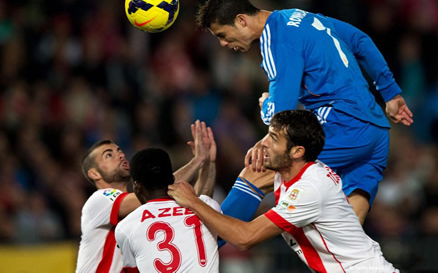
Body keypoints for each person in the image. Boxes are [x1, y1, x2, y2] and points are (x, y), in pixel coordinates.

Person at [196, 0, 414, 223]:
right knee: (345, 234)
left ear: (241, 20)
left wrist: (266, 105)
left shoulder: (276, 39)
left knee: (257, 171)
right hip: (375, 130)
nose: (223, 43)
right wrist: (391, 94)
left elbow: (283, 112)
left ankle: (208, 242)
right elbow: (360, 41)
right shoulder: (300, 16)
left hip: (342, 124)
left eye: (222, 34)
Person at [168, 110, 399, 273]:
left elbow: (245, 238)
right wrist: (206, 162)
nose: (263, 143)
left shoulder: (311, 188)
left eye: (274, 138)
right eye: (267, 134)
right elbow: (241, 198)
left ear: (297, 151)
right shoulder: (286, 173)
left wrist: (192, 201)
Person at [75, 120, 272, 272]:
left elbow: (197, 212)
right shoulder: (99, 200)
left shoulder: (137, 217)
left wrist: (207, 165)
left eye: (119, 151)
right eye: (108, 155)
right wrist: (197, 161)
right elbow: (160, 186)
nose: (119, 155)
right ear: (94, 174)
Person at [115, 147, 221, 272]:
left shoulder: (126, 227)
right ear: (171, 179)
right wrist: (209, 164)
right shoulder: (206, 206)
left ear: (137, 187)